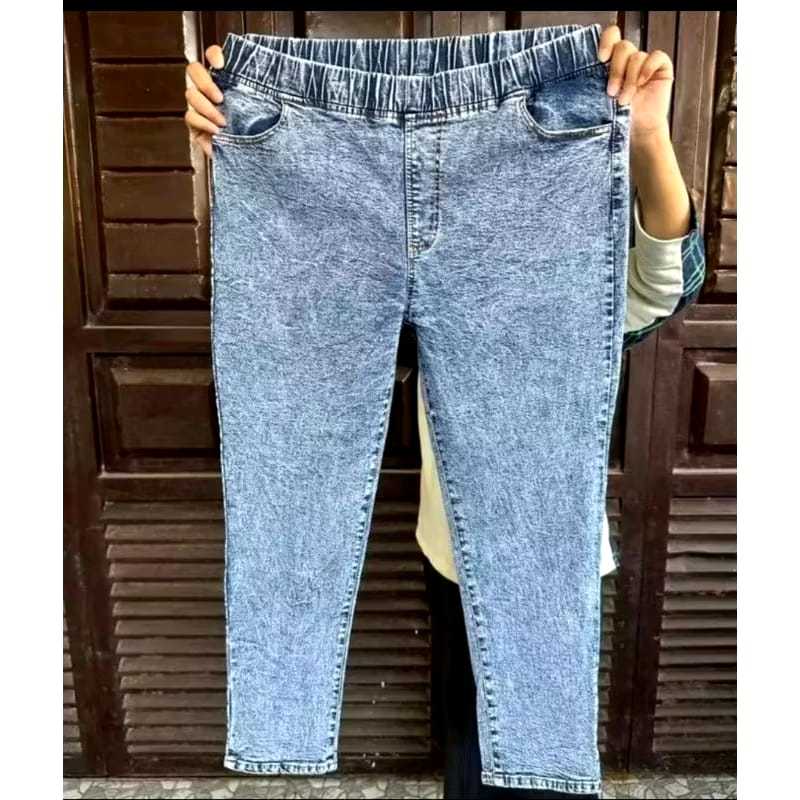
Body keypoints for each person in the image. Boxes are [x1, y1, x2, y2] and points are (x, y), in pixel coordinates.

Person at [185, 23, 704, 800]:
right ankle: (279, 721)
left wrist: (648, 137)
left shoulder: (561, 227)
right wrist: (246, 156)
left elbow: (663, 287)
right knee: (472, 756)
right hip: (305, 133)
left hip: (534, 148)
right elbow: (287, 334)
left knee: (530, 766)